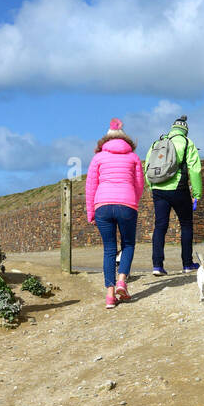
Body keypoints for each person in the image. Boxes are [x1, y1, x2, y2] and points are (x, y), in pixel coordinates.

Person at [84, 119, 144, 309]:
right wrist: (132, 200)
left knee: (109, 249)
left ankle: (110, 295)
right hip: (127, 204)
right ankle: (121, 282)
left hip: (102, 205)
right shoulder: (133, 157)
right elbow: (139, 184)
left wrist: (90, 213)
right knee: (128, 244)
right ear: (125, 138)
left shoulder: (98, 157)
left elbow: (90, 186)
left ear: (106, 139)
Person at [144, 115, 203, 275]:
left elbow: (147, 166)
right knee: (186, 224)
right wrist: (197, 194)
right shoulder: (187, 143)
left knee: (160, 226)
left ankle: (157, 266)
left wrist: (152, 186)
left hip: (158, 188)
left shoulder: (158, 142)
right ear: (185, 130)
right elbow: (195, 170)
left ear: (172, 128)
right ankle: (187, 264)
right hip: (178, 188)